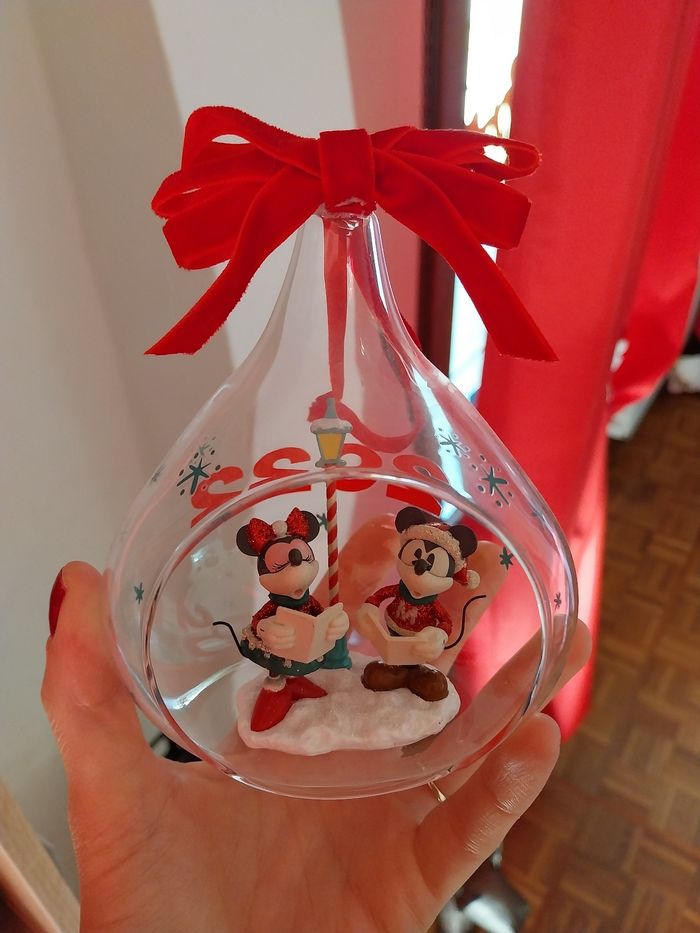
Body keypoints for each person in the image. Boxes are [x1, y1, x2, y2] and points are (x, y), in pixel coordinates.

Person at [43, 561, 589, 932]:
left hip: (395, 664)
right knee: (326, 679)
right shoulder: (278, 609)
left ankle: (390, 680)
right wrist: (293, 636)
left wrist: (402, 637)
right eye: (279, 560)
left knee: (398, 677)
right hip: (295, 671)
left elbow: (403, 625)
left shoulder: (412, 605)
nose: (422, 566)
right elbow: (306, 625)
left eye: (297, 557)